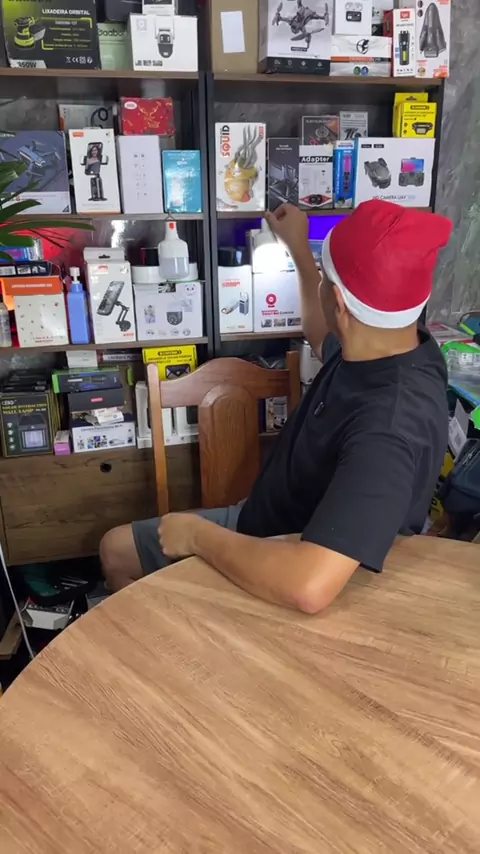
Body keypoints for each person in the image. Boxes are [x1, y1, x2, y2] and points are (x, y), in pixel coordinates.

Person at [100, 199, 452, 613]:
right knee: (118, 548)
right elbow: (321, 329)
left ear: (340, 302)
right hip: (268, 522)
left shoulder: (389, 428)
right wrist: (300, 251)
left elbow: (308, 586)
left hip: (288, 560)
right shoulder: (391, 346)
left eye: (324, 277)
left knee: (115, 550)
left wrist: (197, 536)